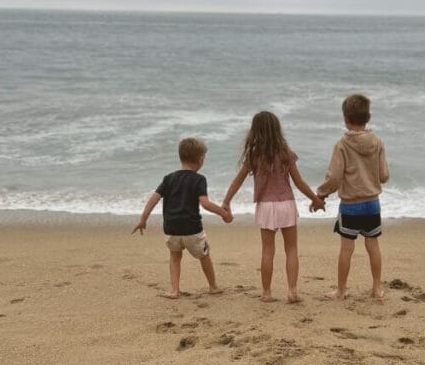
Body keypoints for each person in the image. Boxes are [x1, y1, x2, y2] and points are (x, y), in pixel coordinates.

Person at [222, 111, 325, 303]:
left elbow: (237, 181)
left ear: (255, 132)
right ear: (277, 130)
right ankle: (292, 291)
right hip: (286, 203)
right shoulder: (285, 153)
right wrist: (316, 199)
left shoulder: (254, 155)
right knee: (291, 249)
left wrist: (227, 201)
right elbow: (299, 182)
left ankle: (267, 293)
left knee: (268, 250)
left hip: (266, 206)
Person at [132, 137, 232, 299]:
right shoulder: (199, 179)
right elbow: (205, 203)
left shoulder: (168, 178)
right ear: (200, 159)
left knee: (175, 256)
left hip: (171, 228)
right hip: (192, 229)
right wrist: (223, 212)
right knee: (204, 254)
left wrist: (143, 219)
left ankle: (174, 290)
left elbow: (154, 199)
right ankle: (213, 286)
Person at [316, 94, 389, 300]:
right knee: (372, 245)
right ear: (368, 117)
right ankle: (376, 288)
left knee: (346, 249)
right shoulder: (378, 142)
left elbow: (335, 177)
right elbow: (384, 176)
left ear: (345, 119)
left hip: (350, 206)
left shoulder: (342, 145)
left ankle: (341, 290)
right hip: (372, 204)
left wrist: (321, 194)